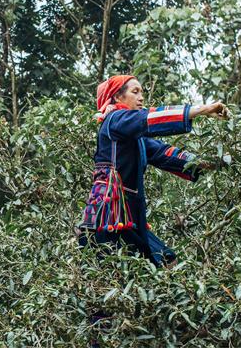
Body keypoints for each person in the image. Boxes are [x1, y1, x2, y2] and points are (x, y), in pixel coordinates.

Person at [75, 75, 229, 347]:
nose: (141, 97)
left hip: (128, 224)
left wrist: (220, 162)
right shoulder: (114, 122)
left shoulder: (136, 138)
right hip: (105, 224)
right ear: (116, 98)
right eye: (135, 92)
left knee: (166, 260)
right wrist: (203, 109)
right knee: (103, 298)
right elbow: (149, 119)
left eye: (141, 92)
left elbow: (171, 156)